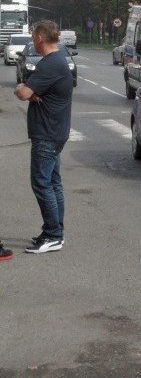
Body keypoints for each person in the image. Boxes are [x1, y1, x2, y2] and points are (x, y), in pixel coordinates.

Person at [14, 20, 73, 255]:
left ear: (39, 38)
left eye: (32, 37)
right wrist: (31, 93)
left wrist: (22, 88)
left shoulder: (50, 64)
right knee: (53, 183)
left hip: (47, 134)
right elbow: (33, 94)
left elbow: (24, 92)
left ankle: (53, 235)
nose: (32, 41)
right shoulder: (59, 61)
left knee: (41, 183)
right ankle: (55, 230)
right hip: (56, 131)